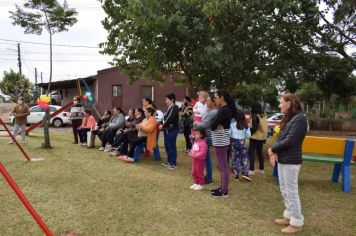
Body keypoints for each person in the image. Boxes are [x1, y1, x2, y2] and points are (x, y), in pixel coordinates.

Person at [268, 93, 308, 234]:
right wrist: (274, 152)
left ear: (289, 103)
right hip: (284, 159)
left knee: (291, 191)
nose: (279, 105)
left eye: (281, 102)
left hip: (291, 160)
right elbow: (280, 137)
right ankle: (289, 216)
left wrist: (272, 149)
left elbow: (291, 140)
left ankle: (297, 222)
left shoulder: (300, 119)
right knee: (284, 189)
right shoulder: (290, 118)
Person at [210, 89, 236, 198]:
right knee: (222, 166)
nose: (215, 99)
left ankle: (224, 191)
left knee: (223, 167)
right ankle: (222, 187)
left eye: (216, 97)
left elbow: (212, 125)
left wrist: (216, 123)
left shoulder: (224, 110)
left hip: (220, 142)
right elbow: (215, 124)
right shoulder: (225, 110)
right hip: (221, 140)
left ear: (222, 98)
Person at [193, 93, 218, 184]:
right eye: (206, 100)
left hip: (208, 137)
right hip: (204, 136)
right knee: (205, 158)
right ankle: (207, 176)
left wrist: (195, 122)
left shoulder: (213, 112)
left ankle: (209, 178)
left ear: (213, 102)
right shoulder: (208, 110)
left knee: (206, 158)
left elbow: (204, 124)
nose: (206, 102)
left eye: (208, 100)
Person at [229, 110, 251, 181]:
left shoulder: (232, 124)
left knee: (235, 158)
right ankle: (245, 173)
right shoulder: (245, 125)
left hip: (233, 142)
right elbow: (248, 135)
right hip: (242, 142)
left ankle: (236, 175)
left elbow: (229, 134)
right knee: (244, 157)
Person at [159, 93, 179, 169]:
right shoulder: (169, 108)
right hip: (167, 130)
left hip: (172, 130)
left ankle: (173, 163)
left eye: (167, 99)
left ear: (172, 99)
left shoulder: (174, 107)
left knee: (171, 146)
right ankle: (169, 161)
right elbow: (163, 118)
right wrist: (160, 123)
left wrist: (163, 125)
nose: (165, 101)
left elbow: (169, 118)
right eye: (166, 99)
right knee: (167, 146)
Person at [248, 102, 268, 175]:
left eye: (251, 107)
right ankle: (261, 169)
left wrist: (248, 132)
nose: (250, 109)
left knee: (251, 152)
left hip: (255, 137)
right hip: (262, 137)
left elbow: (254, 128)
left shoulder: (255, 116)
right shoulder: (263, 115)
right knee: (259, 152)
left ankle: (251, 170)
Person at [189, 127, 208, 191]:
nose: (195, 135)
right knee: (194, 171)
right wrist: (191, 152)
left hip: (200, 160)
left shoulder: (203, 144)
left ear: (202, 135)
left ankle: (201, 184)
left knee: (199, 171)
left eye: (197, 134)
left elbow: (202, 153)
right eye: (195, 134)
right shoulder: (196, 142)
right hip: (195, 159)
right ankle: (196, 182)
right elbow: (193, 148)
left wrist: (195, 155)